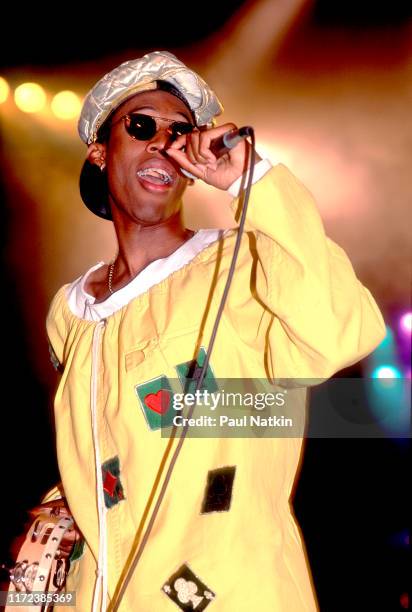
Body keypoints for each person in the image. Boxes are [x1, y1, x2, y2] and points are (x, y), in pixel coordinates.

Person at [40, 51, 385, 610]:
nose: (163, 143)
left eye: (179, 133)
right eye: (142, 126)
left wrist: (252, 180)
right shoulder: (72, 310)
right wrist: (59, 510)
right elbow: (109, 445)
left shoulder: (243, 263)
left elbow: (339, 334)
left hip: (227, 593)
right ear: (100, 152)